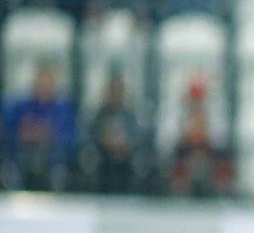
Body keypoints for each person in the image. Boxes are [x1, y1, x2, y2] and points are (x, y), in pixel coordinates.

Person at [1, 62, 78, 191]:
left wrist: (48, 135)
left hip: (52, 160)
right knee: (8, 172)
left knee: (61, 174)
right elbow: (8, 130)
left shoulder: (63, 108)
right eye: (41, 83)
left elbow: (70, 138)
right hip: (21, 158)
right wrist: (23, 134)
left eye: (48, 84)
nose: (44, 88)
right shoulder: (20, 106)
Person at [81, 70, 146, 195]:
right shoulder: (100, 114)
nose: (116, 94)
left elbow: (136, 136)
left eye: (119, 90)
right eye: (113, 90)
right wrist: (105, 141)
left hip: (126, 158)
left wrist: (125, 144)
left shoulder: (130, 115)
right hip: (103, 157)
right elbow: (92, 135)